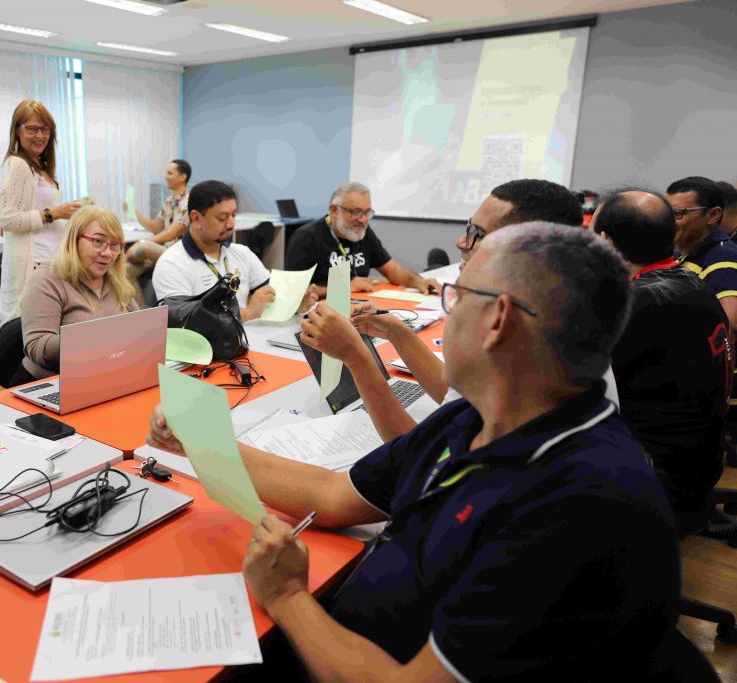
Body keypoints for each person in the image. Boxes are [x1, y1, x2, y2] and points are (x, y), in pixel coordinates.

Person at [151, 224, 688, 679]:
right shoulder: (477, 416)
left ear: (498, 320)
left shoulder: (577, 503)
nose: (442, 314)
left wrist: (288, 595)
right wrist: (201, 441)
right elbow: (335, 494)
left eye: (455, 298)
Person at [297, 179, 589, 441]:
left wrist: (356, 358)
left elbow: (416, 457)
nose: (461, 242)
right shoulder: (552, 319)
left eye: (476, 233)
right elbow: (458, 398)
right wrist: (396, 330)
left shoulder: (513, 343)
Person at [592, 188, 730, 529]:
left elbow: (565, 382)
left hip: (658, 476)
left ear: (606, 242)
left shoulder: (639, 304)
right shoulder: (692, 282)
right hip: (698, 462)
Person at [152, 180, 314, 323]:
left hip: (247, 341)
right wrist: (248, 313)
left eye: (234, 215)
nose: (231, 224)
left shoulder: (241, 253)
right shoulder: (172, 264)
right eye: (222, 218)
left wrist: (295, 303)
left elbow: (272, 295)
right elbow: (185, 325)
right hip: (205, 353)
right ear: (196, 218)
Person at [10, 206, 138, 385]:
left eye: (115, 245)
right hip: (49, 383)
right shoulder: (48, 278)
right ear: (74, 240)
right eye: (98, 241)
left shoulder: (115, 280)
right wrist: (98, 337)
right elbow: (37, 346)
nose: (108, 253)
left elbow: (139, 331)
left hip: (101, 379)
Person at [0, 99, 82, 343]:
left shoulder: (40, 167)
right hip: (33, 264)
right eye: (31, 129)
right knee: (29, 337)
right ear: (17, 131)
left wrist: (66, 212)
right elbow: (8, 220)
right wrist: (54, 213)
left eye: (44, 129)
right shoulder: (18, 164)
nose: (39, 135)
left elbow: (37, 211)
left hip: (49, 259)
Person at [284, 182, 440, 296]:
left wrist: (419, 282)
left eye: (367, 213)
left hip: (357, 308)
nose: (363, 220)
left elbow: (393, 271)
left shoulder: (362, 233)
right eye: (356, 212)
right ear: (334, 210)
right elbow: (293, 293)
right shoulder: (306, 238)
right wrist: (343, 288)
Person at [668, 175, 737, 331]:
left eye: (678, 213)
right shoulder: (684, 254)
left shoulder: (722, 259)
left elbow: (728, 326)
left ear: (713, 215)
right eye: (667, 212)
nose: (668, 220)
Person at [124, 159, 191, 306]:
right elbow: (156, 227)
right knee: (124, 271)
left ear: (182, 177)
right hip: (162, 251)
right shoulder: (169, 201)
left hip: (178, 253)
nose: (166, 176)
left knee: (143, 247)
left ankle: (129, 254)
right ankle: (141, 314)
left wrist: (142, 242)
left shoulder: (188, 202)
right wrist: (134, 213)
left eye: (170, 173)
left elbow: (171, 234)